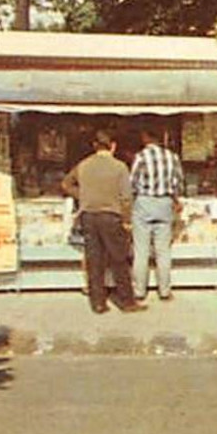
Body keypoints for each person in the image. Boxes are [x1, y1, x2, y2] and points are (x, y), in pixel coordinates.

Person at [61, 130, 146, 314]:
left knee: (94, 260)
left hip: (89, 216)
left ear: (94, 146)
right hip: (111, 215)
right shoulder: (119, 167)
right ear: (113, 146)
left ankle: (98, 302)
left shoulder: (83, 165)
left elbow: (66, 184)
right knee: (119, 259)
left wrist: (82, 196)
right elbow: (126, 197)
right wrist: (127, 220)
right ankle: (126, 301)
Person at [130, 125, 185, 302]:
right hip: (164, 203)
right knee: (163, 251)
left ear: (146, 137)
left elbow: (132, 183)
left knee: (141, 250)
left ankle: (139, 291)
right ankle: (165, 290)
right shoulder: (172, 157)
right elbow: (178, 183)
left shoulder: (141, 157)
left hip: (144, 202)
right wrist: (175, 200)